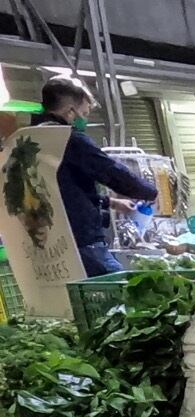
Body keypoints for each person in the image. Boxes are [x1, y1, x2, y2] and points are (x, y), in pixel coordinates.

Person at [36, 78, 157, 277]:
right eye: (83, 113)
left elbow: (63, 189)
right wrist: (149, 192)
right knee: (121, 292)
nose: (84, 119)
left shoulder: (31, 138)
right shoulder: (68, 138)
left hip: (47, 242)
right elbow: (110, 171)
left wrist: (111, 202)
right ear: (70, 111)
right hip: (83, 240)